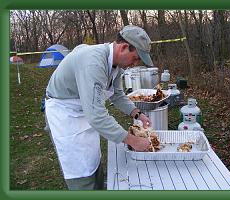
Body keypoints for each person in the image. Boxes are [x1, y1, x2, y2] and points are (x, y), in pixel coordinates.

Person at [45, 25, 154, 190]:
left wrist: (137, 113)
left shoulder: (116, 65)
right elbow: (96, 116)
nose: (135, 63)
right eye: (136, 58)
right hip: (65, 115)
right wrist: (133, 141)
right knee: (81, 170)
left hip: (85, 110)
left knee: (93, 159)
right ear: (124, 47)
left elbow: (117, 94)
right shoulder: (94, 63)